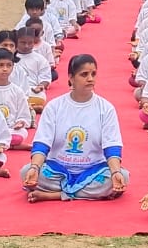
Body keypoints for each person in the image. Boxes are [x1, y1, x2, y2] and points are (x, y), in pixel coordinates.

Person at [23, 55, 129, 202]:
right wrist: (34, 168)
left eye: (93, 74)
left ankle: (57, 195)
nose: (90, 79)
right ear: (71, 78)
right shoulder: (54, 106)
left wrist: (115, 171)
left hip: (93, 169)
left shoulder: (106, 108)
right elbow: (42, 142)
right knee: (25, 172)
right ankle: (82, 193)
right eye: (84, 74)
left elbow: (112, 145)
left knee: (122, 177)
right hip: (57, 169)